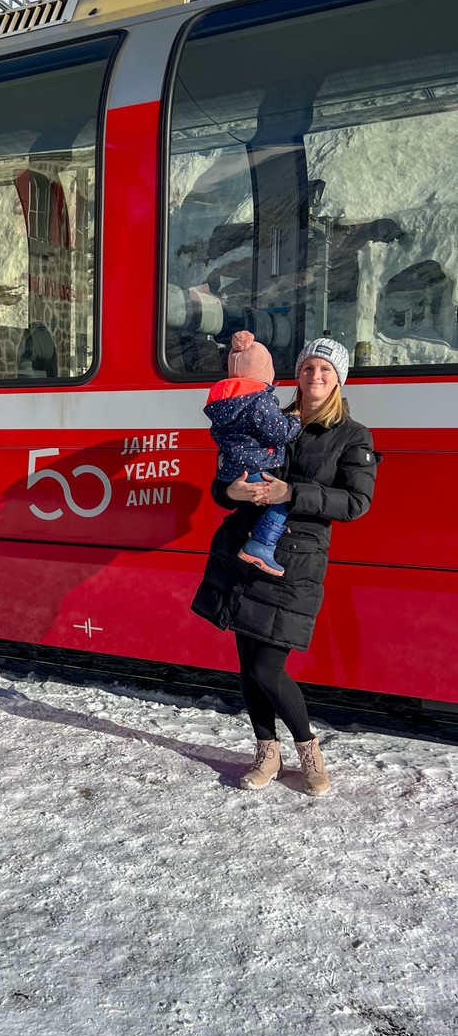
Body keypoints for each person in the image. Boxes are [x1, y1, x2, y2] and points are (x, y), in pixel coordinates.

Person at [191, 337, 377, 796]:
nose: (315, 376)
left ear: (339, 379)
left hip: (295, 560)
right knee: (247, 662)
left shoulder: (352, 435)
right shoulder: (270, 413)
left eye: (325, 370)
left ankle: (308, 750)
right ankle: (266, 751)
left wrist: (291, 493)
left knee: (267, 667)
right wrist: (229, 492)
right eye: (309, 367)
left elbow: (356, 502)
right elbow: (223, 480)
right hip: (245, 549)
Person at [204, 330, 302, 577]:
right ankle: (261, 544)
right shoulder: (259, 399)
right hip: (253, 465)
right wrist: (294, 421)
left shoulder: (224, 402)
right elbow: (278, 433)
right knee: (282, 500)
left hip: (230, 469)